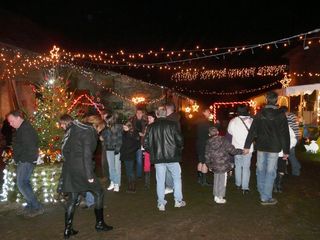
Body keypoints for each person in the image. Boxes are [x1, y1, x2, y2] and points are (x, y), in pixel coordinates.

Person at [58, 114, 113, 239]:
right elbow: (87, 155)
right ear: (96, 125)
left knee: (73, 197)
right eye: (100, 129)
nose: (99, 132)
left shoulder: (74, 128)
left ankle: (68, 230)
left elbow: (64, 147)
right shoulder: (89, 132)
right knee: (99, 192)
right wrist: (89, 175)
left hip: (69, 168)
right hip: (82, 169)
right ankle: (99, 224)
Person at [244, 91, 290, 205]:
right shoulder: (280, 115)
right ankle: (265, 197)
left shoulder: (259, 113)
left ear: (266, 100)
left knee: (260, 170)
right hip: (274, 147)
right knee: (270, 172)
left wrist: (247, 146)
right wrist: (286, 151)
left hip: (261, 146)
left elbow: (252, 131)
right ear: (277, 100)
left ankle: (262, 192)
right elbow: (285, 134)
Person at [144, 108, 185, 211]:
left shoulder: (151, 127)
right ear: (165, 114)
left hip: (158, 158)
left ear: (157, 115)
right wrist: (178, 149)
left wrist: (153, 151)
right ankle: (178, 201)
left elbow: (145, 144)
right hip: (172, 156)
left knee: (160, 180)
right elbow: (180, 140)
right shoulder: (173, 124)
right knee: (176, 178)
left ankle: (161, 203)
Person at [7, 110, 44, 218]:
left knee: (22, 184)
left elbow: (31, 147)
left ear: (18, 118)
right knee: (24, 183)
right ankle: (30, 205)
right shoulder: (22, 128)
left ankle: (37, 207)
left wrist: (22, 159)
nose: (10, 124)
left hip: (26, 160)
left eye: (11, 121)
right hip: (25, 160)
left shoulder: (26, 129)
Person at [205, 127, 243, 204]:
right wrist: (241, 151)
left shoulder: (208, 143)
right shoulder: (224, 140)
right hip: (223, 164)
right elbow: (232, 151)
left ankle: (216, 196)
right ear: (218, 132)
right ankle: (220, 197)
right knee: (222, 181)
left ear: (209, 134)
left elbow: (207, 155)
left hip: (214, 165)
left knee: (216, 180)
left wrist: (209, 165)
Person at [227, 105, 254, 194]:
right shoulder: (251, 121)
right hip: (247, 148)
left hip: (236, 148)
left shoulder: (233, 121)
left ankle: (238, 184)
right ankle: (245, 187)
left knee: (238, 165)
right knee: (246, 167)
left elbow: (230, 131)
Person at [101, 113, 123, 192]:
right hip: (108, 149)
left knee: (116, 167)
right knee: (111, 168)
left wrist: (117, 149)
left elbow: (120, 139)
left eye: (107, 119)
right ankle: (113, 182)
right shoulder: (106, 128)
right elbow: (103, 137)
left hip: (116, 150)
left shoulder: (117, 127)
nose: (106, 120)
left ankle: (116, 184)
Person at [279, 106, 301, 176]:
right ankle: (284, 170)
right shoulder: (291, 116)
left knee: (290, 154)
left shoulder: (288, 116)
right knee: (287, 154)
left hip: (292, 138)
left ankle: (296, 169)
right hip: (293, 137)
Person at [274, 125, 297, 193]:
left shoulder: (286, 126)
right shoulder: (271, 123)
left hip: (282, 153)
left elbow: (293, 139)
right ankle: (275, 185)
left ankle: (278, 185)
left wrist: (287, 148)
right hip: (272, 152)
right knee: (273, 169)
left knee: (281, 169)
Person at [120, 121, 140, 193]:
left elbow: (137, 145)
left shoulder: (134, 133)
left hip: (131, 154)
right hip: (125, 154)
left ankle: (133, 186)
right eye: (123, 126)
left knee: (131, 170)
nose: (123, 128)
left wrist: (130, 151)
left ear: (129, 126)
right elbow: (122, 143)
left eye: (125, 127)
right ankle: (129, 184)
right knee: (128, 170)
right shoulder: (124, 133)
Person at [196, 108, 214, 186]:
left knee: (200, 161)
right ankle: (204, 181)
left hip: (199, 143)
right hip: (204, 144)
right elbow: (210, 132)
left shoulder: (199, 121)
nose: (209, 112)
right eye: (208, 111)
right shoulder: (205, 122)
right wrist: (216, 125)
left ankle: (199, 179)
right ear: (203, 112)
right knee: (205, 162)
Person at [130, 108, 147, 179]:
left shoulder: (145, 122)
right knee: (131, 159)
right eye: (137, 113)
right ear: (135, 114)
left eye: (140, 113)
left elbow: (147, 131)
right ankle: (130, 173)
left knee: (139, 160)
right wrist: (137, 133)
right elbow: (129, 131)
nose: (139, 114)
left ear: (142, 114)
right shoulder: (132, 121)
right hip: (133, 143)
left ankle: (139, 174)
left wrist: (144, 134)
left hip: (140, 143)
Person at [142, 111, 157, 189]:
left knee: (157, 166)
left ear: (154, 118)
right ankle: (147, 184)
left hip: (156, 149)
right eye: (148, 118)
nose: (149, 119)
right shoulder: (147, 126)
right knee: (146, 166)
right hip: (148, 149)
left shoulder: (157, 126)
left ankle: (159, 182)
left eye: (150, 118)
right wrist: (143, 148)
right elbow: (144, 138)